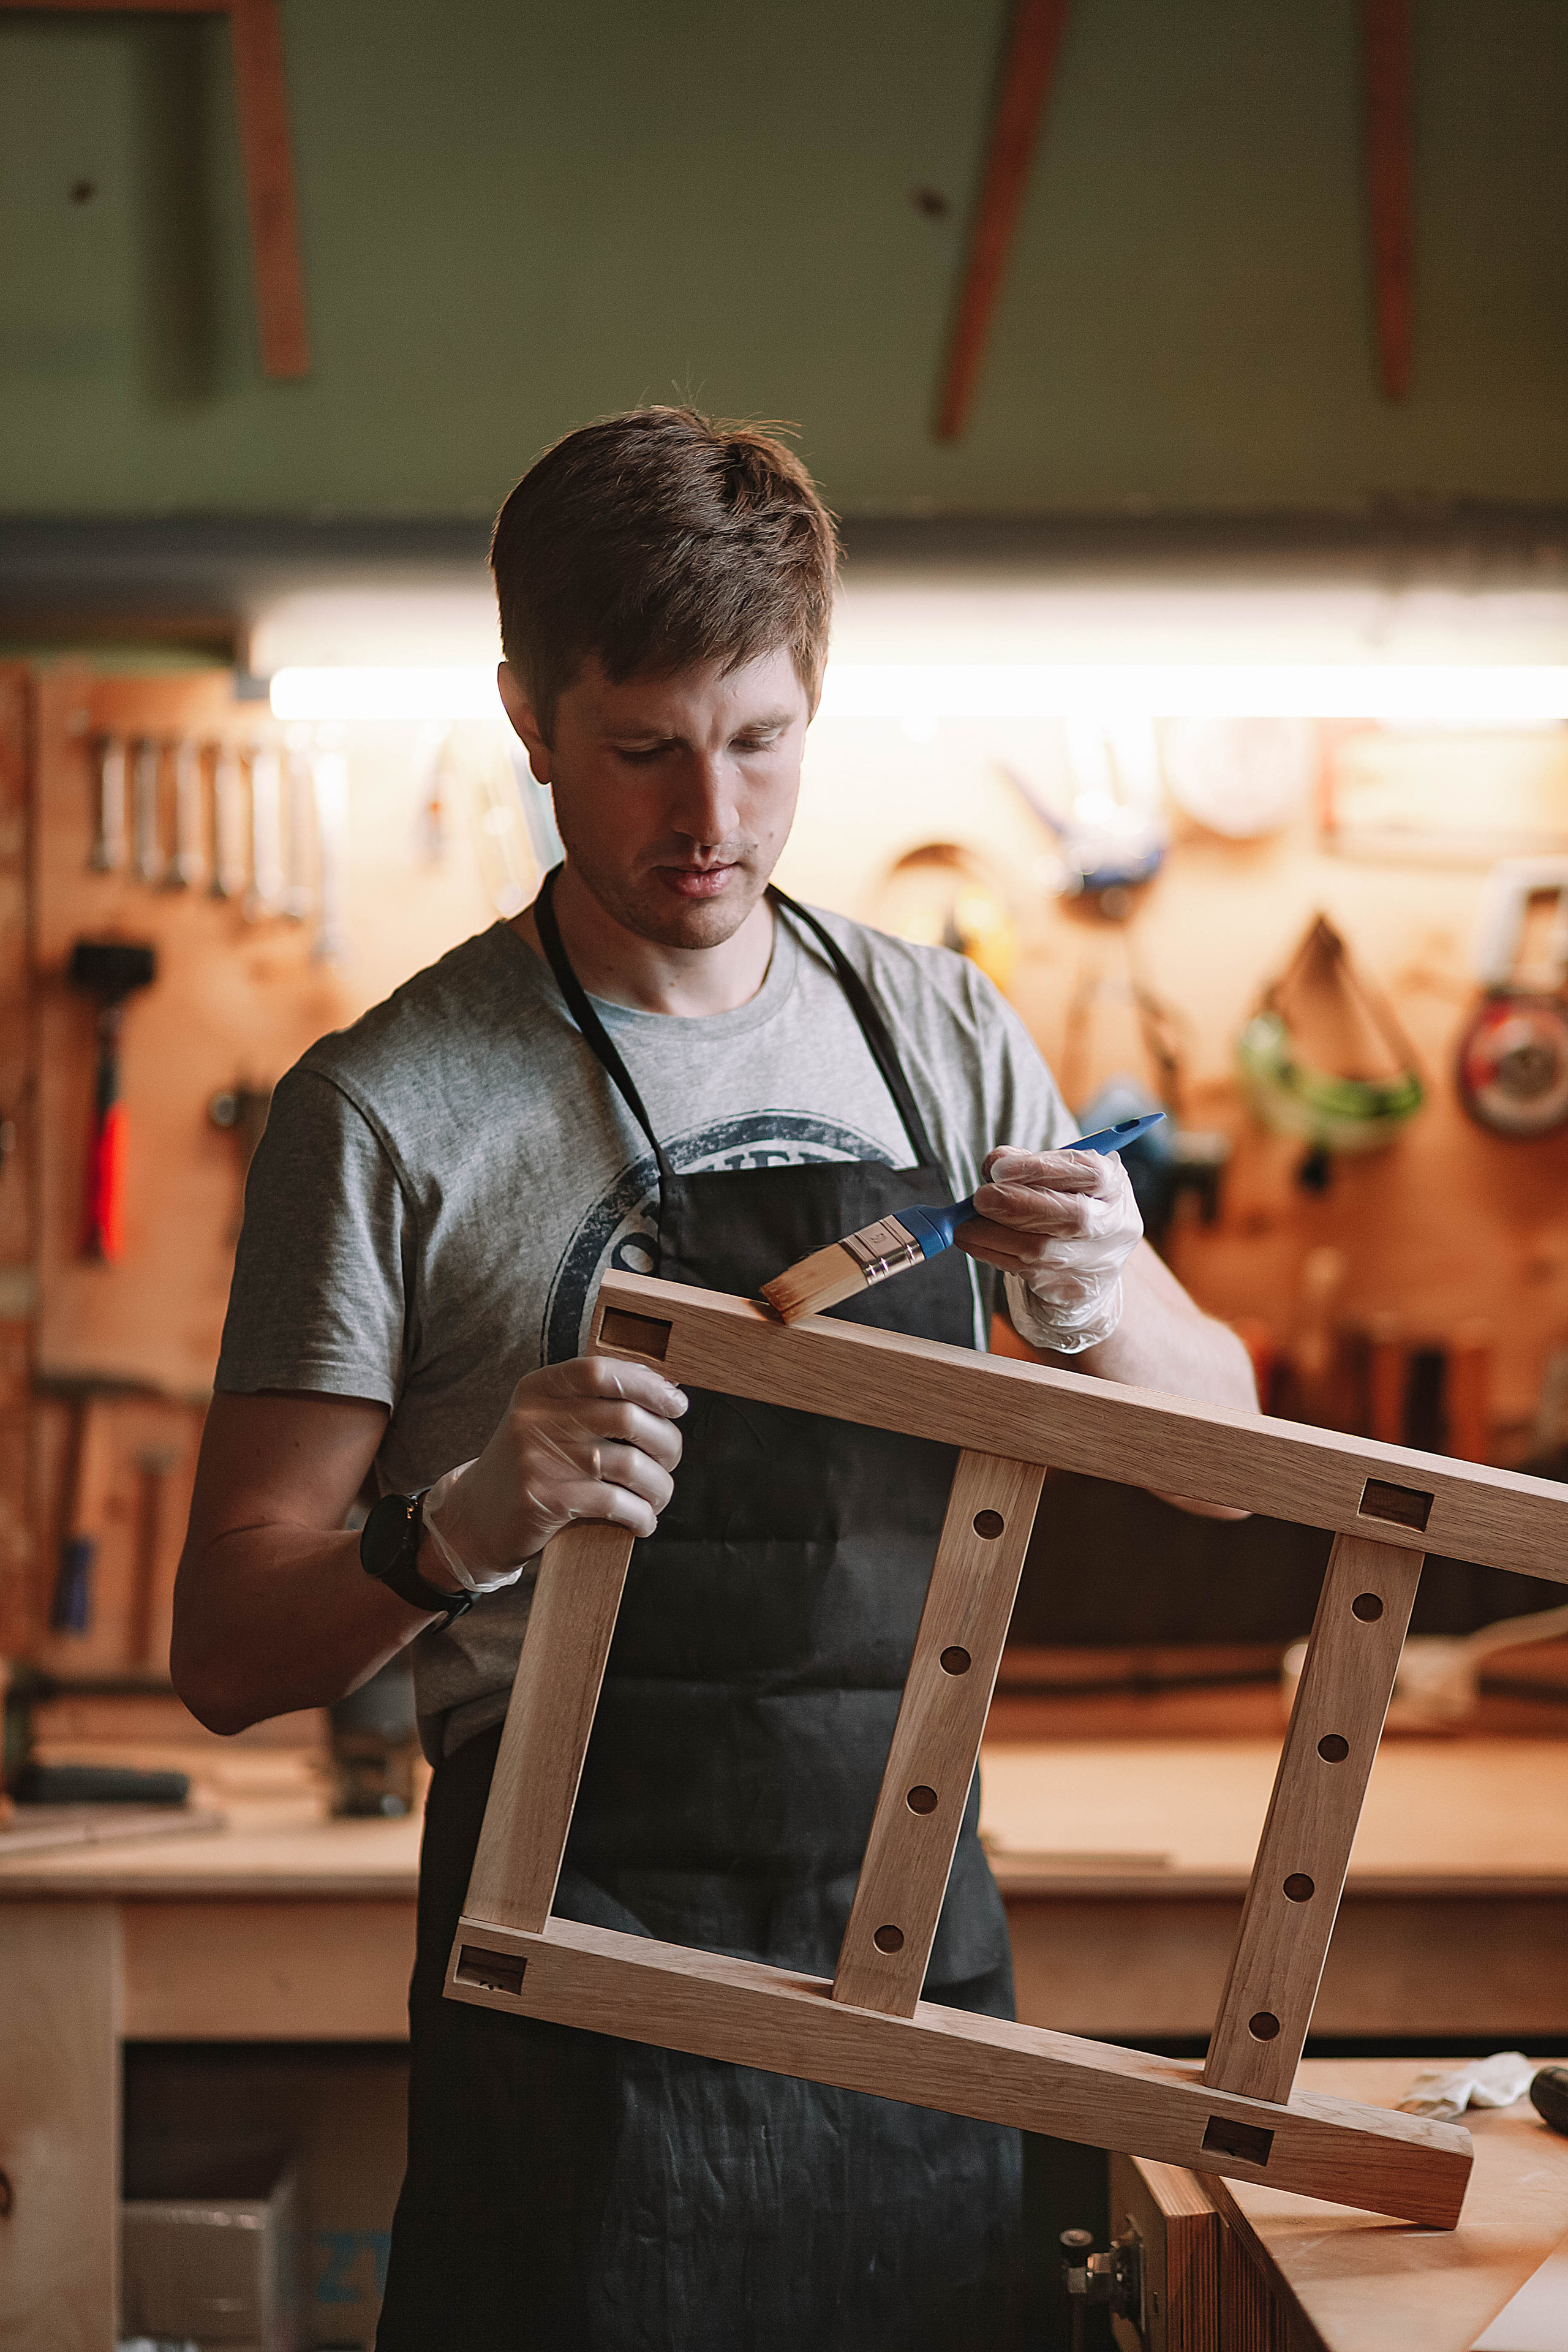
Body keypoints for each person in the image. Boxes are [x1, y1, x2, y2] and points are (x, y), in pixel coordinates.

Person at [172, 407, 1256, 2352]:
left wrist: (1106, 1304)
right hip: (572, 1974)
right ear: (528, 719)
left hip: (910, 1925)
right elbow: (229, 1645)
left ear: (814, 696)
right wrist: (463, 1528)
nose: (712, 821)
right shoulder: (391, 1111)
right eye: (645, 750)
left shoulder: (936, 1035)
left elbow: (1228, 1459)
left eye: (760, 744)